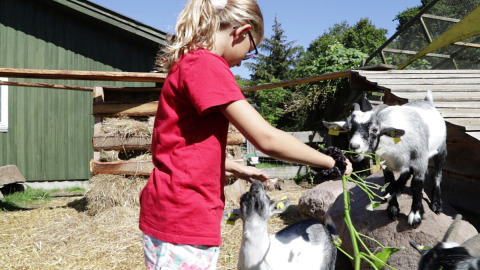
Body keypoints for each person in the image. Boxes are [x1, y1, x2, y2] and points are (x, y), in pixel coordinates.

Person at [139, 0, 353, 269]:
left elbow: (176, 145)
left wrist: (232, 167)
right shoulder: (206, 65)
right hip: (185, 215)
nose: (242, 63)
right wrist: (333, 162)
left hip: (172, 212)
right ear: (241, 32)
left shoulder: (190, 63)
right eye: (250, 51)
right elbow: (266, 139)